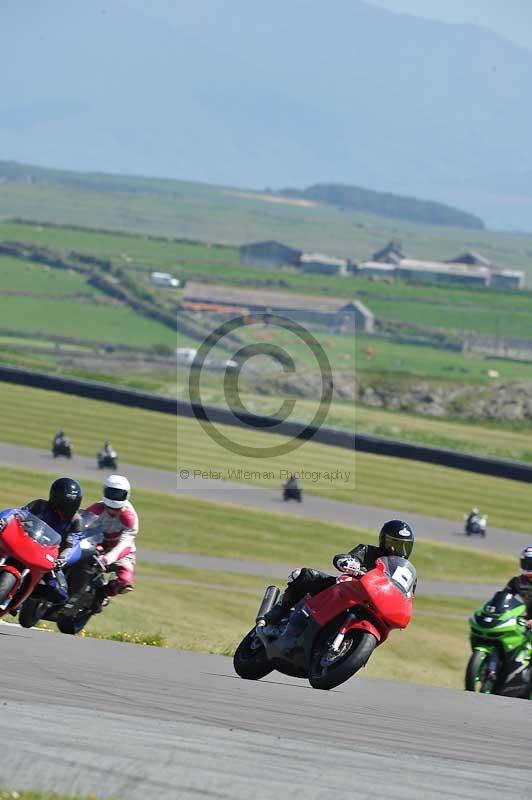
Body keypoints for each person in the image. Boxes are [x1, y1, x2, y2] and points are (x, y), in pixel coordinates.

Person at [263, 519, 415, 628]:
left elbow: (406, 596)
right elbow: (344, 558)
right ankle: (278, 612)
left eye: (403, 546)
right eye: (393, 544)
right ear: (383, 541)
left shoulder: (404, 571)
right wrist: (349, 562)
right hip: (346, 589)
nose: (398, 550)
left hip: (373, 606)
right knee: (306, 575)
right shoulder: (368, 551)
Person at [86, 475, 138, 612]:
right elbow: (81, 527)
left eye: (119, 495)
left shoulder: (130, 517)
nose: (112, 509)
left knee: (125, 582)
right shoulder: (96, 508)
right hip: (98, 545)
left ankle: (102, 594)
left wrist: (108, 558)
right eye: (111, 493)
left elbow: (125, 543)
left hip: (120, 552)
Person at [23, 477, 84, 594]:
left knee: (60, 592)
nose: (70, 508)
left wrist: (62, 559)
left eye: (74, 504)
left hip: (49, 559)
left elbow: (73, 544)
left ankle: (27, 598)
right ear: (55, 498)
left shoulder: (76, 521)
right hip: (25, 544)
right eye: (67, 503)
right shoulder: (39, 506)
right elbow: (19, 515)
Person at [503, 546, 532, 630]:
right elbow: (504, 597)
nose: (527, 566)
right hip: (528, 621)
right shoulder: (517, 582)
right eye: (526, 563)